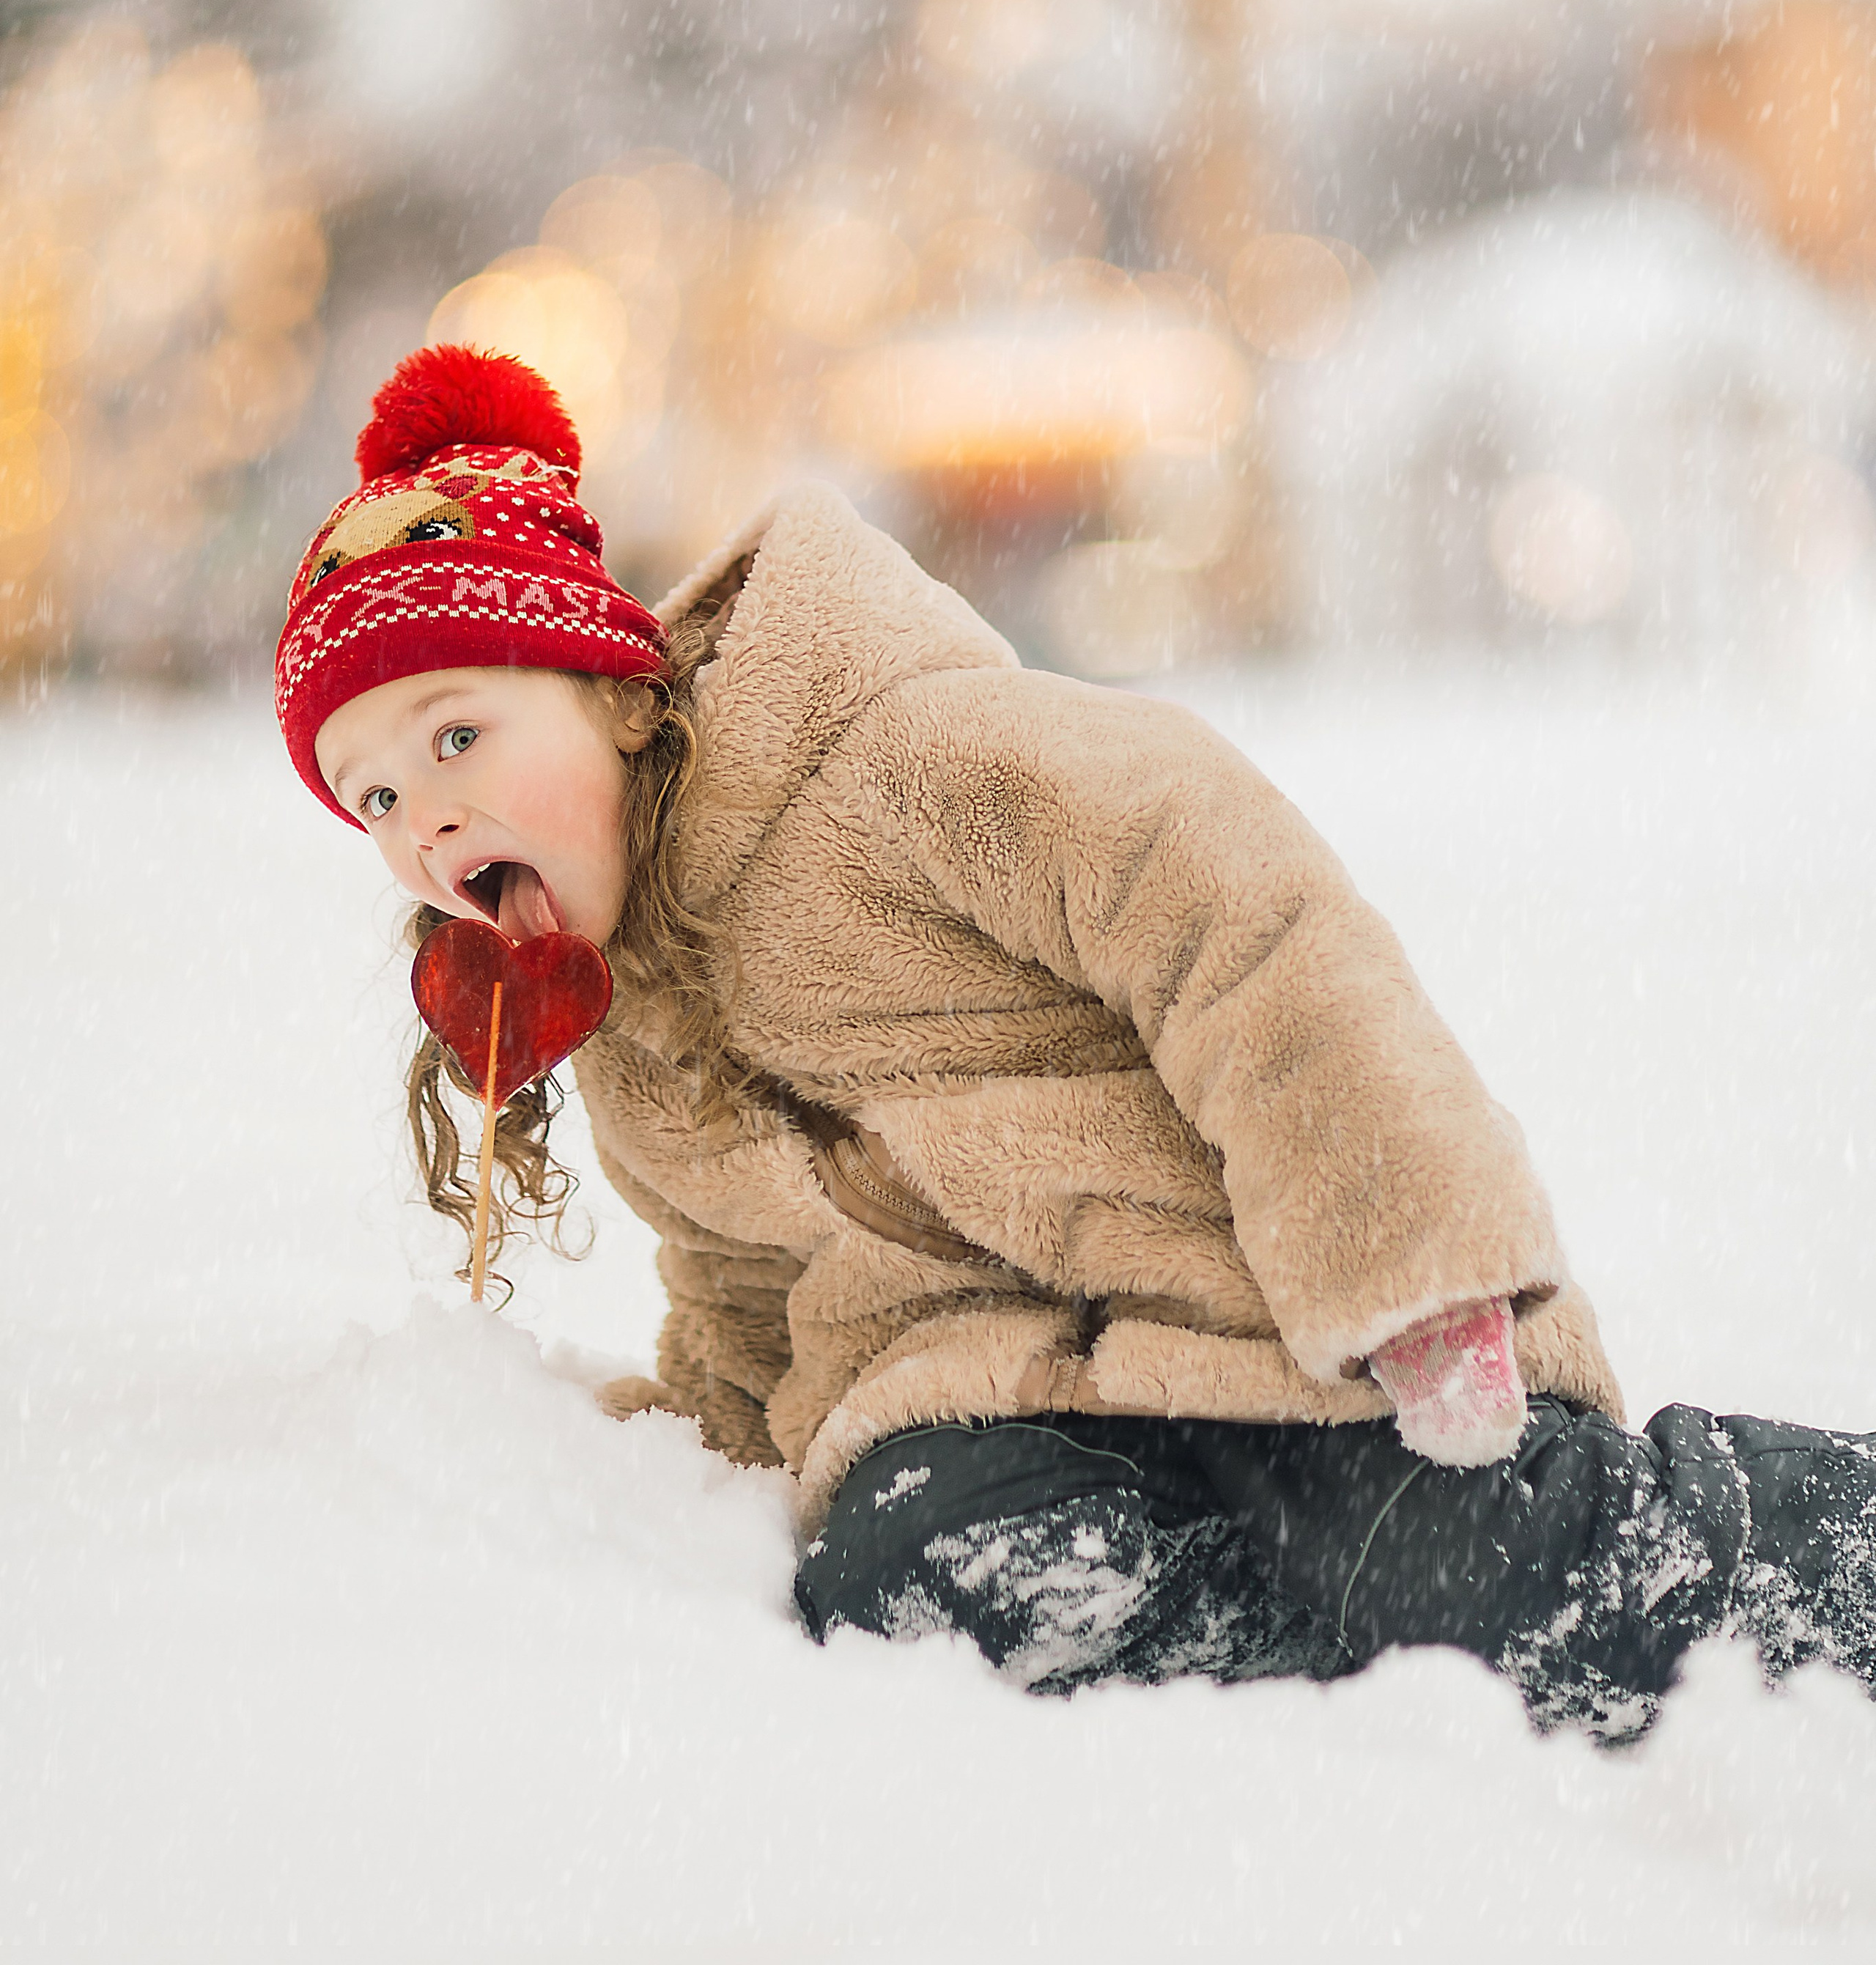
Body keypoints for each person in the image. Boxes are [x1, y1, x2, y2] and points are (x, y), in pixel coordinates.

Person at [277, 342, 1876, 1739]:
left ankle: (1804, 1558)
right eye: (378, 799)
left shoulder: (899, 762)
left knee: (1479, 1565)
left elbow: (1238, 921)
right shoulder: (624, 1041)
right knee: (910, 1583)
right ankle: (1317, 1698)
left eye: (460, 737)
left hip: (1275, 1319)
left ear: (612, 691)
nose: (429, 819)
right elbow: (743, 1298)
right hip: (991, 1406)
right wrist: (672, 1468)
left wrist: (1406, 1255)